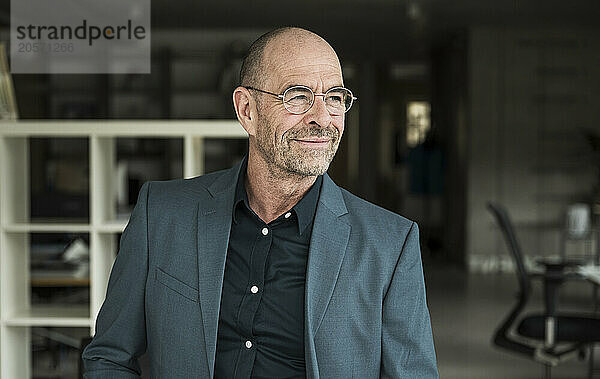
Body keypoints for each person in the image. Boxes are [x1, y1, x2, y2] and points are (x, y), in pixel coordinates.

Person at [82, 27, 438, 378]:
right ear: (247, 110)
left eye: (334, 97)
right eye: (298, 96)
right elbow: (110, 358)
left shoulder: (390, 244)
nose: (322, 118)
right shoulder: (161, 214)